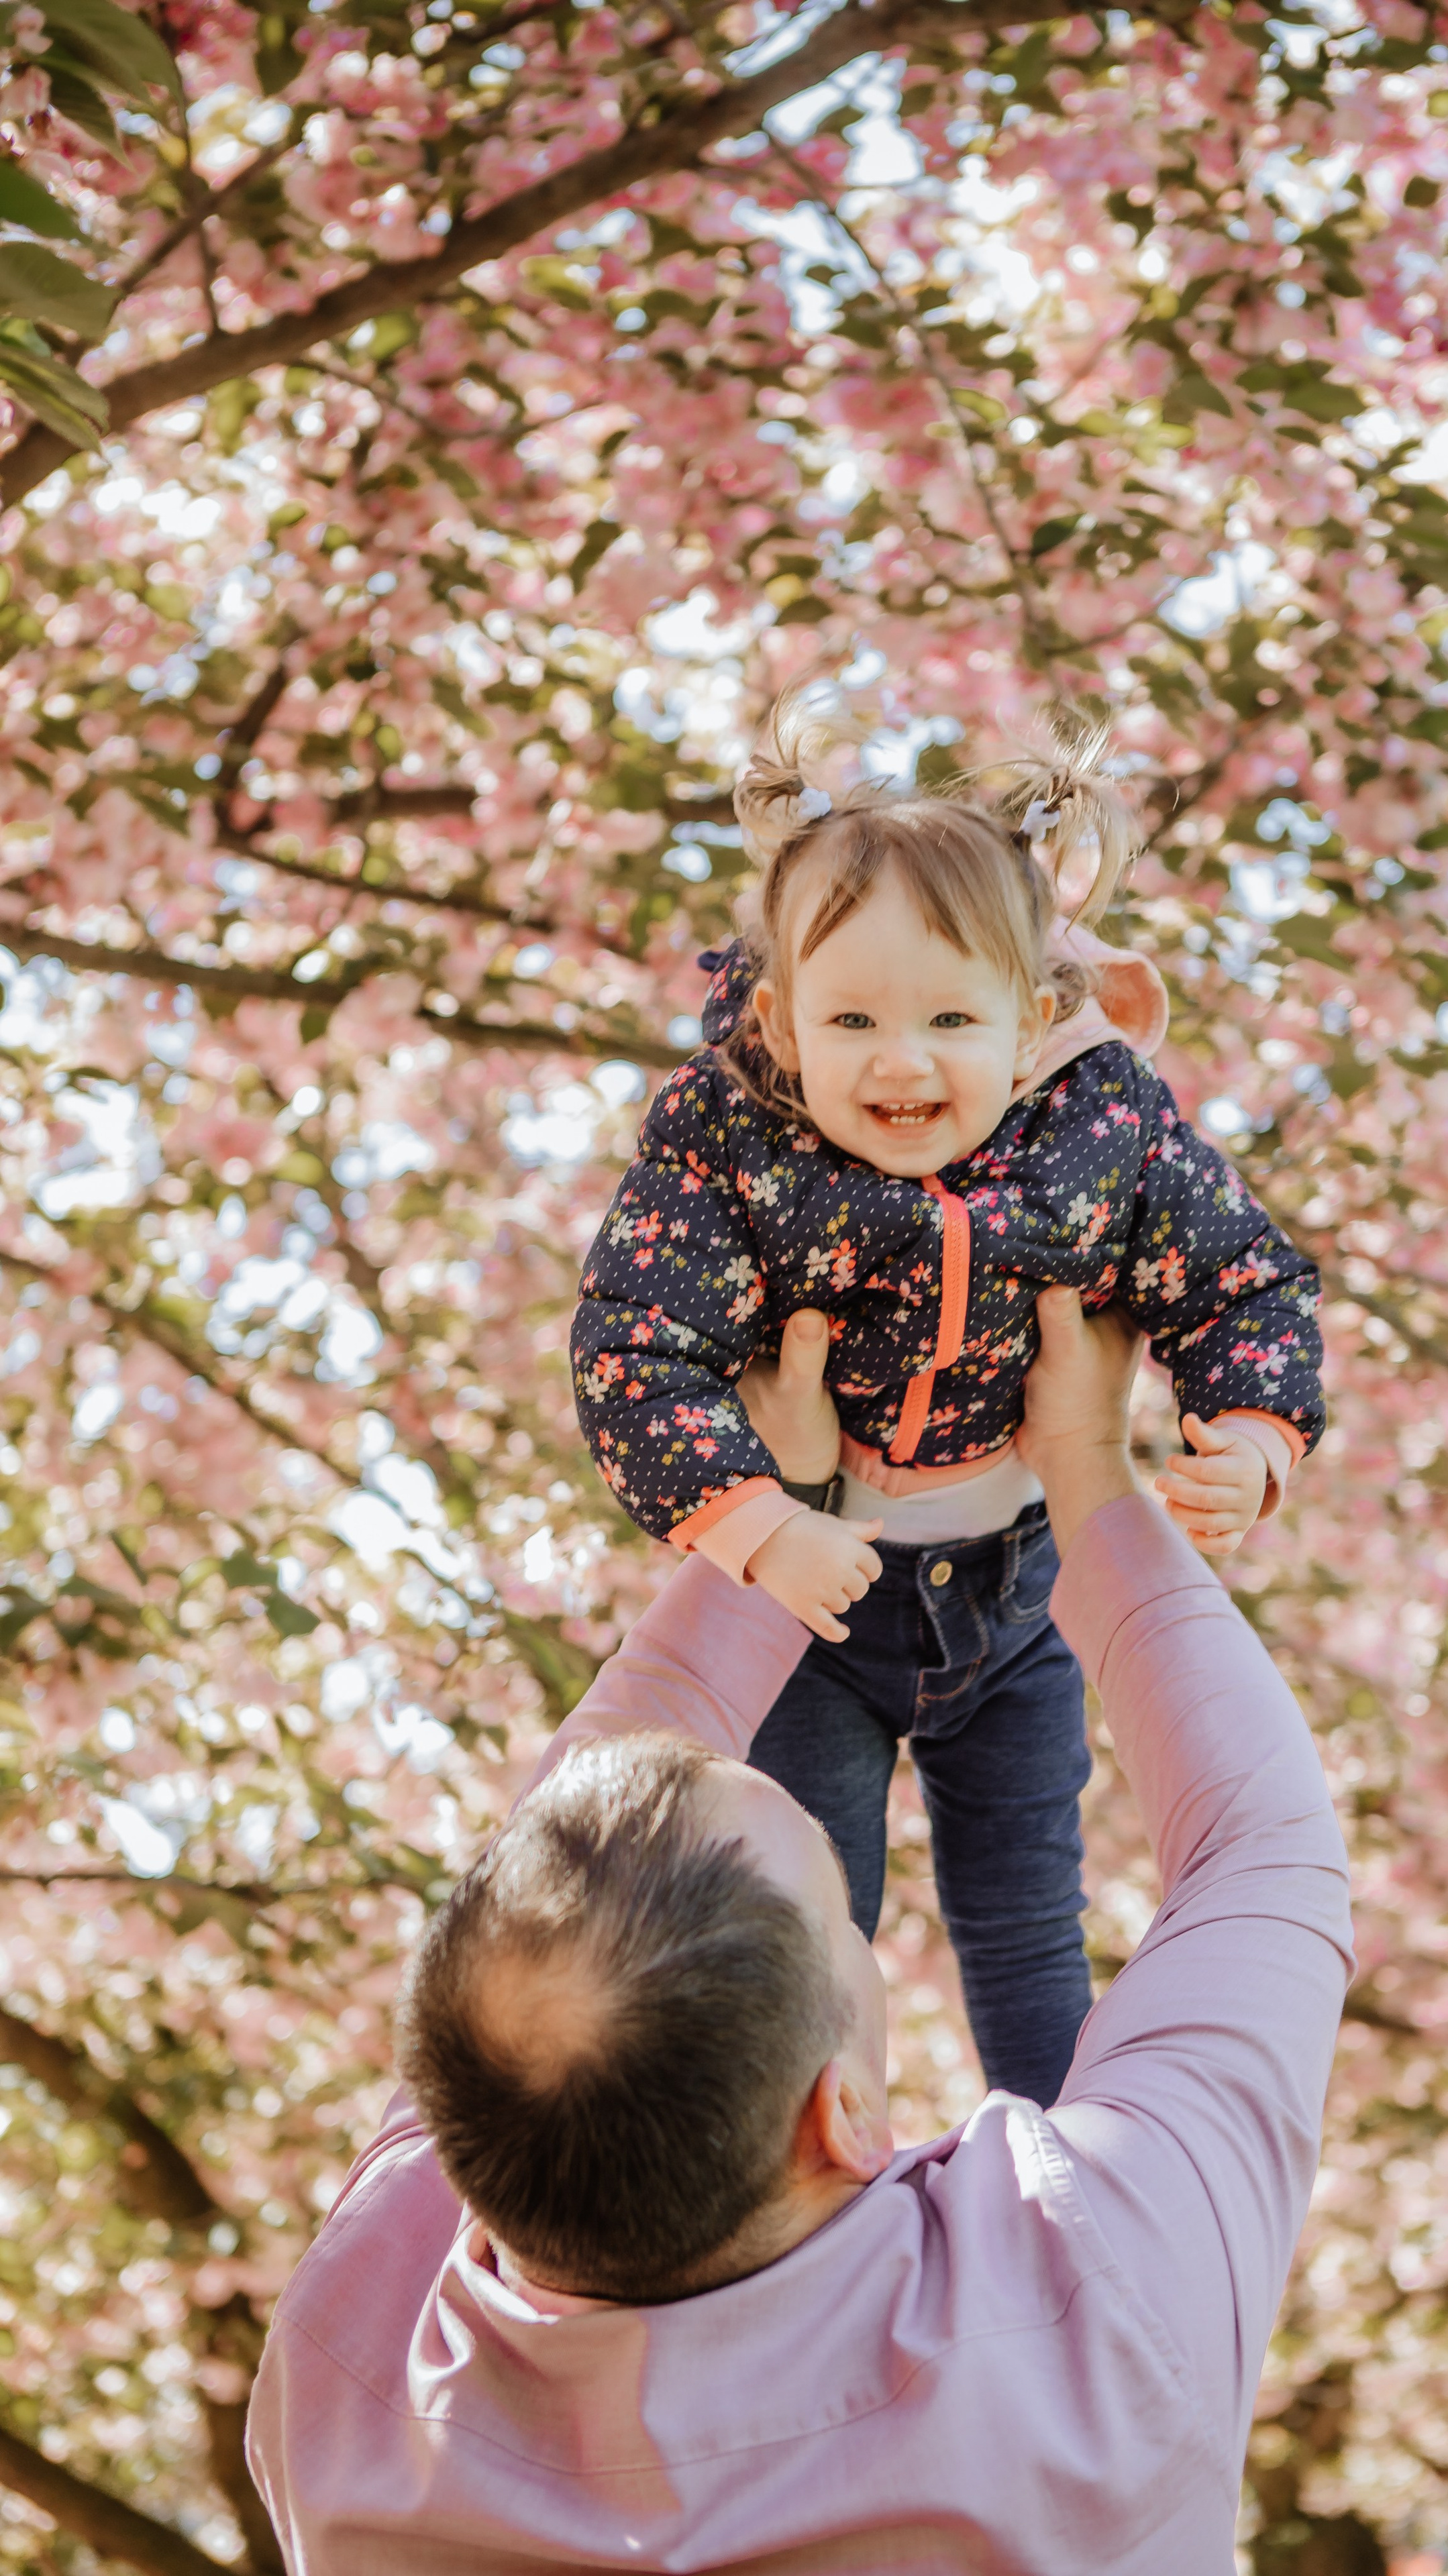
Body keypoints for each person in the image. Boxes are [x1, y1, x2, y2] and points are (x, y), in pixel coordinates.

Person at [247, 1290, 1353, 2575]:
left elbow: (559, 1877)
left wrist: (778, 1518)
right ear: (843, 2115)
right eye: (842, 1905)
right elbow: (1263, 1848)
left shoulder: (355, 2374)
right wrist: (1092, 1471)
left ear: (448, 2120)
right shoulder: (1093, 2316)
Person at [570, 688, 1325, 2100]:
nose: (898, 1061)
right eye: (848, 1016)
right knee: (809, 1921)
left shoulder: (1103, 1131)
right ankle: (815, 2181)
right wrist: (752, 1517)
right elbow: (632, 1344)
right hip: (816, 1597)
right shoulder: (730, 1142)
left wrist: (1255, 1430)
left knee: (1027, 1921)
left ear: (1031, 1015)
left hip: (1014, 1595)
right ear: (784, 1019)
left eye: (947, 1018)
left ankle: (1051, 2177)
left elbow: (1239, 1278)